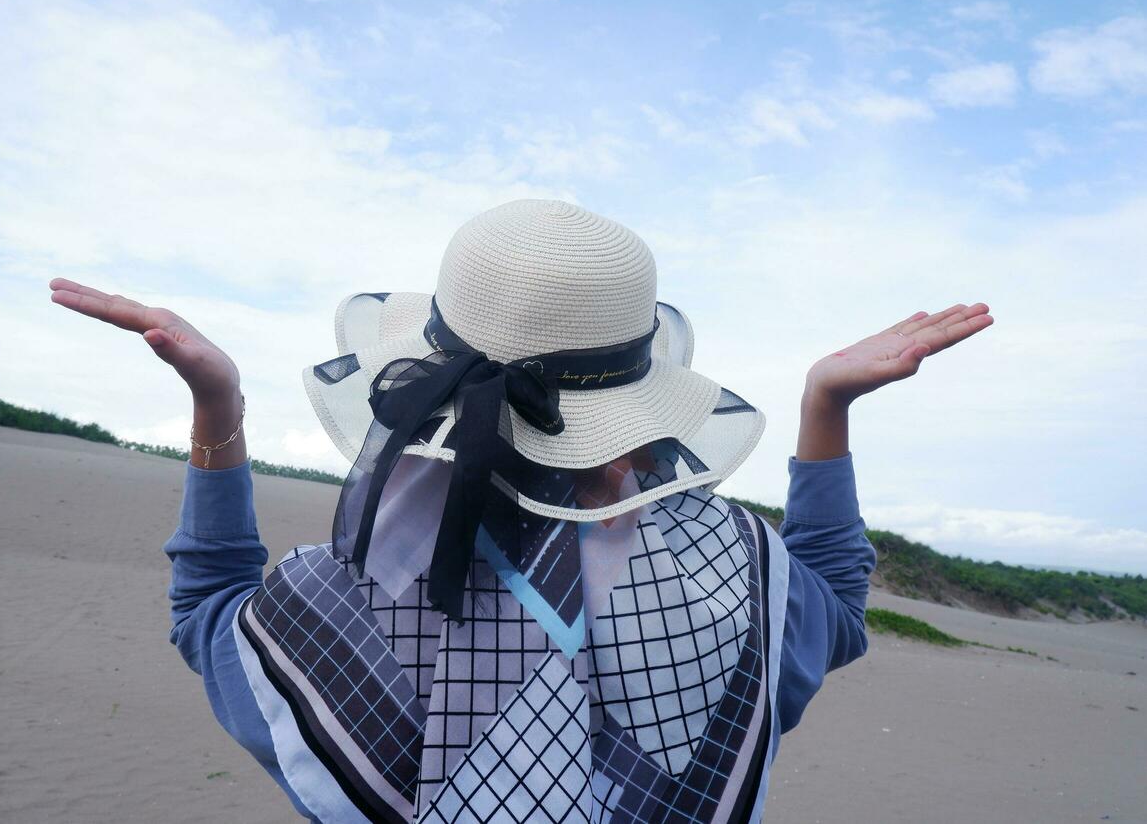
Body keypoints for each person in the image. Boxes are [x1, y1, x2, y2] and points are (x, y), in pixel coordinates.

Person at [50, 199, 993, 823]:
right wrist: (825, 406)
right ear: (637, 393)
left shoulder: (335, 607)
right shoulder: (735, 583)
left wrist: (217, 409)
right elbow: (834, 603)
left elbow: (206, 610)